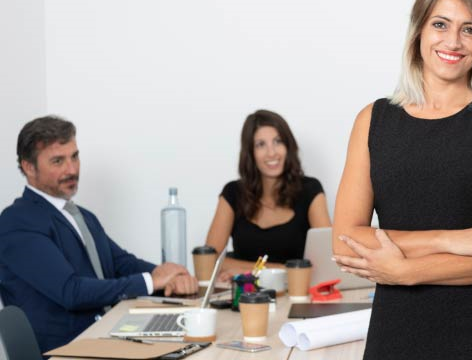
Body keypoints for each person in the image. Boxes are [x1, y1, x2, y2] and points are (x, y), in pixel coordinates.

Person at [332, 0, 472, 359]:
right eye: (440, 24)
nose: (453, 41)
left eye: (469, 29)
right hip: (395, 334)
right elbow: (346, 239)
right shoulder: (372, 120)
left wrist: (407, 271)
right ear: (419, 31)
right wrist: (448, 240)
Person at [0, 116, 197, 352]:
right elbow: (71, 291)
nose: (72, 169)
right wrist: (151, 281)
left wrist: (168, 275)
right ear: (29, 167)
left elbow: (120, 263)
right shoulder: (17, 222)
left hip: (108, 334)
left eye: (75, 156)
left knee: (195, 343)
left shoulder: (81, 216)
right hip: (69, 350)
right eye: (58, 161)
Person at [205, 110, 330, 279]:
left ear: (288, 146)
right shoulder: (233, 193)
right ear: (250, 153)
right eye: (261, 145)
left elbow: (327, 262)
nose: (271, 153)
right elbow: (209, 260)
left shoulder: (310, 190)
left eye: (278, 141)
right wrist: (283, 269)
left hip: (296, 292)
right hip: (246, 293)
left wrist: (252, 270)